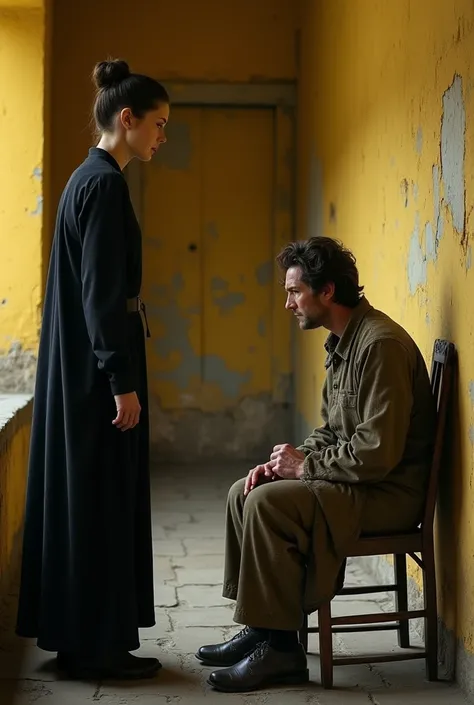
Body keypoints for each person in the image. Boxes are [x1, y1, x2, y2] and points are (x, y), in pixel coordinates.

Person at [196, 236, 437, 693]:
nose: (288, 304)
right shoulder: (342, 341)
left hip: (388, 495)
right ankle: (264, 629)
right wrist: (292, 458)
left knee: (269, 507)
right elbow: (333, 428)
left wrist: (305, 470)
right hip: (361, 482)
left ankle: (283, 655)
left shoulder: (379, 345)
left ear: (326, 292)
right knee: (243, 491)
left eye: (294, 292)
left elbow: (377, 454)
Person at [16, 59, 169, 680]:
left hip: (78, 370)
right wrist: (122, 381)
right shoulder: (104, 185)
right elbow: (102, 296)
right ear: (125, 120)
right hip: (98, 377)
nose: (162, 136)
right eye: (157, 124)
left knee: (86, 501)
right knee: (101, 501)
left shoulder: (84, 178)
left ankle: (86, 638)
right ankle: (98, 651)